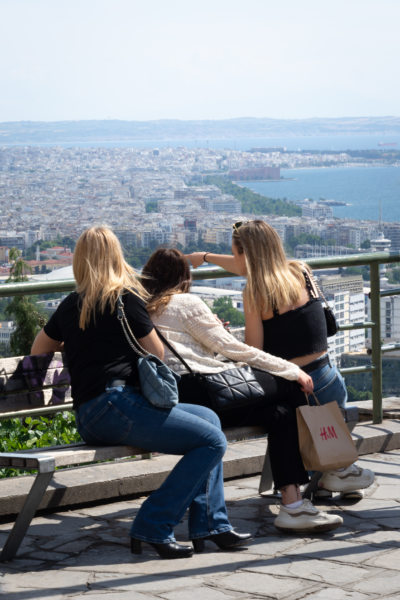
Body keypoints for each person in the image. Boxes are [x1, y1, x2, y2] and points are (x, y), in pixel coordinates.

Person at [30, 226, 252, 560]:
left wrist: (80, 346)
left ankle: (211, 524)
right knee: (212, 441)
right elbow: (156, 354)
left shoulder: (71, 304)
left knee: (208, 419)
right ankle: (153, 523)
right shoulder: (125, 299)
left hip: (90, 414)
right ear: (116, 257)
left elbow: (39, 350)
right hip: (117, 405)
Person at [142, 247, 344, 534]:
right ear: (183, 277)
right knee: (290, 388)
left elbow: (191, 351)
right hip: (204, 393)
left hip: (182, 401)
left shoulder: (142, 307)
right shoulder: (186, 302)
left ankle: (294, 502)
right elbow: (234, 350)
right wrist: (290, 369)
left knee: (280, 413)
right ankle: (328, 474)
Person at [187, 220, 374, 497]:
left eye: (235, 252)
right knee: (306, 418)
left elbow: (256, 350)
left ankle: (331, 475)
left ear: (244, 254)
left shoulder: (255, 291)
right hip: (330, 378)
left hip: (300, 387)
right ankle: (327, 479)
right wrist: (204, 258)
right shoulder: (301, 271)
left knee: (280, 412)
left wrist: (224, 339)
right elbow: (245, 265)